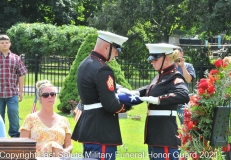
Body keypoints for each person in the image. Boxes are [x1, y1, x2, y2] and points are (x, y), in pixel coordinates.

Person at [71, 31, 141, 160]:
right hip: (102, 131)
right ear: (107, 47)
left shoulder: (85, 64)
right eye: (116, 50)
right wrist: (129, 103)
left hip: (90, 129)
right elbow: (111, 104)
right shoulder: (103, 69)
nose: (116, 54)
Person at [119, 43, 190, 160]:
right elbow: (152, 88)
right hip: (155, 135)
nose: (152, 62)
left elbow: (183, 95)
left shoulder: (174, 76)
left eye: (155, 59)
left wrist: (158, 100)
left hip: (165, 135)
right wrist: (136, 92)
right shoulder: (160, 76)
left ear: (166, 59)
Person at [20, 80, 72, 157]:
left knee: (55, 146)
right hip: (36, 157)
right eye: (45, 95)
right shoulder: (30, 119)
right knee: (52, 145)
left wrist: (65, 152)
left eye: (52, 94)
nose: (50, 97)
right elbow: (22, 144)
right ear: (39, 99)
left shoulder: (63, 120)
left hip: (59, 156)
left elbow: (69, 145)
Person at [0, 34, 28, 137]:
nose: (4, 44)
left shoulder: (16, 58)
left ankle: (15, 136)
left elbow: (21, 75)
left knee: (13, 115)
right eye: (2, 43)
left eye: (6, 43)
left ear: (10, 44)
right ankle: (0, 136)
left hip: (12, 93)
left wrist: (20, 91)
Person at [174, 47, 196, 124]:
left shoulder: (188, 66)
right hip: (170, 102)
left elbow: (188, 80)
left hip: (182, 102)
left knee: (185, 126)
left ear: (182, 54)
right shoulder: (169, 66)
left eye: (178, 54)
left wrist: (182, 66)